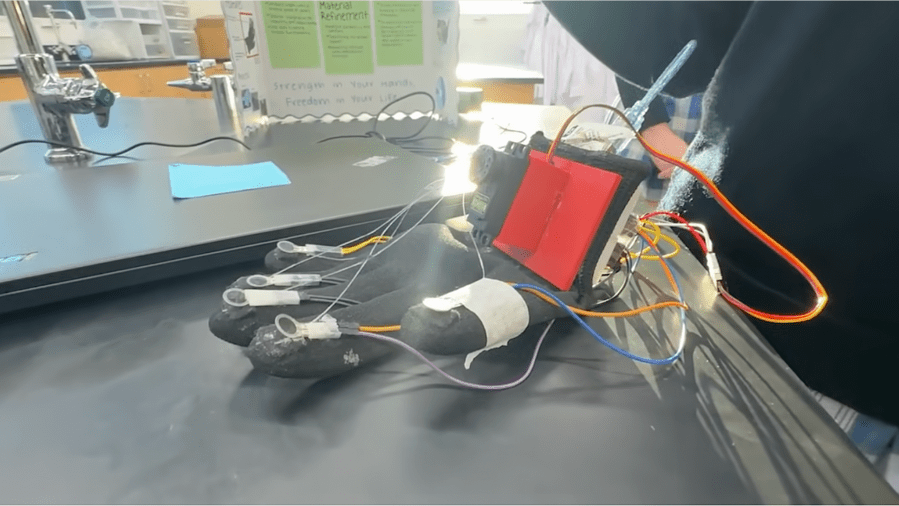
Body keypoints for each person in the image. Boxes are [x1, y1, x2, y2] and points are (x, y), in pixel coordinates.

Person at [543, 0, 899, 475]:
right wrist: (652, 128)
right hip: (741, 307)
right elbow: (670, 39)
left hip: (789, 334)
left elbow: (661, 38)